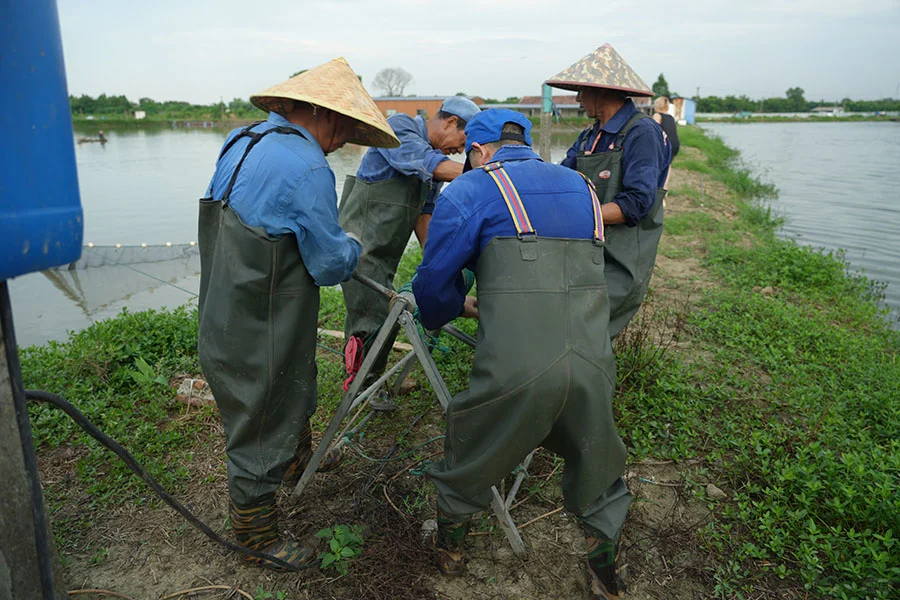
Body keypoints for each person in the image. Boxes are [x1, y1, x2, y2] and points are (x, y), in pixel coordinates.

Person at [413, 109, 631, 600]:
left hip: (519, 366)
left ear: (479, 151)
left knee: (472, 439)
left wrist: (450, 309)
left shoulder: (469, 190)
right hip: (595, 360)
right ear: (527, 144)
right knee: (596, 455)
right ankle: (604, 569)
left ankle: (450, 548)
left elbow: (432, 285)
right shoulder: (584, 189)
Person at [197, 57, 400, 571]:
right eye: (342, 126)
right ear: (314, 110)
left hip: (224, 303)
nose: (343, 140)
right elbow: (330, 263)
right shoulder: (308, 166)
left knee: (291, 382)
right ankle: (255, 534)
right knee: (263, 410)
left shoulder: (242, 141)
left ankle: (298, 458)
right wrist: (353, 244)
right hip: (261, 313)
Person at [338, 96, 480, 405]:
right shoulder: (400, 128)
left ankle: (374, 379)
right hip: (358, 245)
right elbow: (419, 161)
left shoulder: (434, 166)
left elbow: (423, 216)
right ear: (451, 122)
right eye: (463, 141)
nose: (461, 150)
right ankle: (362, 387)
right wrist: (483, 176)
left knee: (384, 314)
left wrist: (440, 267)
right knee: (370, 316)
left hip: (384, 251)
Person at [548, 43, 671, 338]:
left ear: (601, 91)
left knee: (591, 328)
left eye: (581, 90)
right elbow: (561, 178)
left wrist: (577, 217)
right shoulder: (590, 135)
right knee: (567, 322)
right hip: (589, 246)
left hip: (621, 254)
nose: (577, 99)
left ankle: (590, 381)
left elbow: (637, 203)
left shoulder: (641, 132)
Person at [652, 96, 679, 191]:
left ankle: (658, 189)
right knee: (668, 165)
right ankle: (664, 190)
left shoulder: (657, 116)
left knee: (658, 165)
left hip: (665, 145)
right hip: (674, 144)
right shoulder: (671, 117)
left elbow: (653, 130)